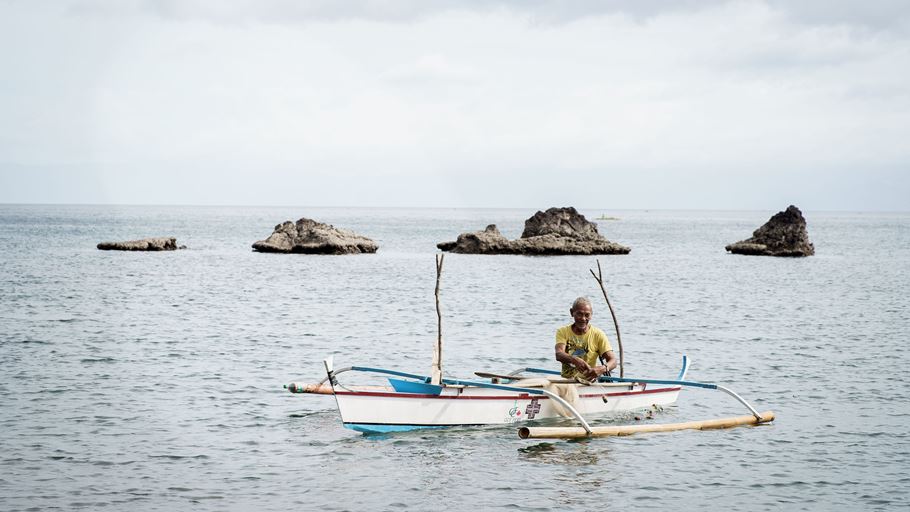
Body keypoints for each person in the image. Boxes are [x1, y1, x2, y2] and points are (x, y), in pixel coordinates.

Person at [555, 297, 617, 381]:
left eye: (587, 315)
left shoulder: (598, 334)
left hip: (588, 382)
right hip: (567, 380)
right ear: (572, 313)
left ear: (591, 315)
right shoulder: (563, 331)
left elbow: (613, 361)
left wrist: (601, 369)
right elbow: (559, 354)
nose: (583, 318)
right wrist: (574, 360)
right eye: (579, 314)